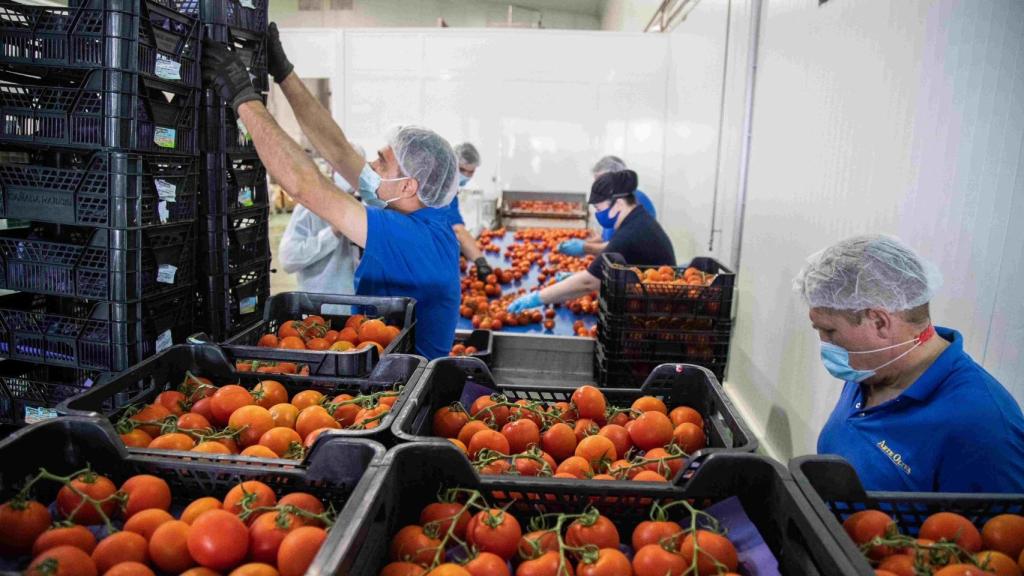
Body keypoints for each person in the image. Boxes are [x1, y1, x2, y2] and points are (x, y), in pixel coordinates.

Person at [202, 25, 460, 360]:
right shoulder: (424, 213)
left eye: (382, 161)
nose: (370, 164)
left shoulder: (409, 237)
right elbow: (339, 152)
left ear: (409, 185)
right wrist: (285, 74)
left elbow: (305, 187)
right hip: (384, 358)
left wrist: (242, 98)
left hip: (403, 385)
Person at [794, 235, 1024, 493]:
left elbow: (996, 531)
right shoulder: (870, 370)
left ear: (879, 322)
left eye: (829, 331)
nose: (825, 344)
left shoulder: (982, 426)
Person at [508, 170, 674, 313]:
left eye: (599, 209)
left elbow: (588, 283)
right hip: (652, 302)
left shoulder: (630, 233)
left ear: (619, 204)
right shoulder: (639, 221)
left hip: (654, 312)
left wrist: (537, 298)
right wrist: (579, 276)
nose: (598, 214)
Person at [278, 145, 366, 295]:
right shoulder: (311, 208)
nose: (347, 174)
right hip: (323, 305)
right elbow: (289, 259)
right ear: (331, 169)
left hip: (361, 307)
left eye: (354, 169)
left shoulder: (368, 208)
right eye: (342, 168)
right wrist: (333, 232)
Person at [557, 156, 658, 257]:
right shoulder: (613, 200)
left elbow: (620, 247)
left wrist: (585, 247)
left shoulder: (635, 202)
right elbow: (608, 236)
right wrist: (585, 242)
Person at [446, 142, 492, 281]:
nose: (465, 175)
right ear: (452, 163)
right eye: (461, 169)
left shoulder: (451, 191)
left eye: (470, 171)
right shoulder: (441, 189)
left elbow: (455, 224)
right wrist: (481, 262)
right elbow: (457, 229)